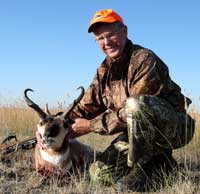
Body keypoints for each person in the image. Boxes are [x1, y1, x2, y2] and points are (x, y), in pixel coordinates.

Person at [36, 9, 195, 191]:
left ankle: (146, 168)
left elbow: (134, 110)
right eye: (100, 39)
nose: (106, 42)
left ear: (124, 31)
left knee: (135, 105)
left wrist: (90, 126)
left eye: (110, 35)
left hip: (173, 129)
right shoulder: (104, 71)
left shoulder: (144, 59)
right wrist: (44, 127)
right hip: (135, 135)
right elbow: (83, 108)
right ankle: (163, 165)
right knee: (98, 173)